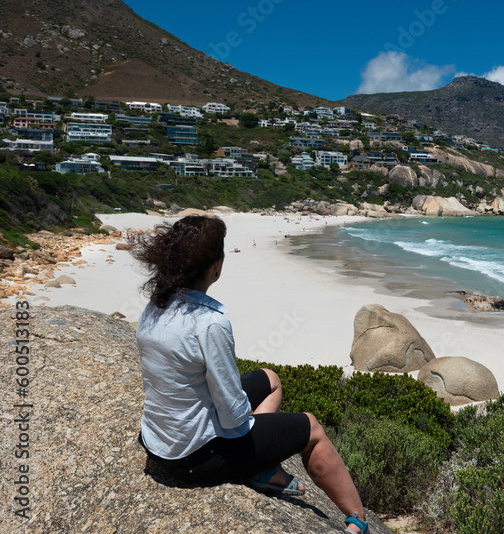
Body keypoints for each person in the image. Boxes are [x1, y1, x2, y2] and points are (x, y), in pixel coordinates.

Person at [130, 216, 367, 533]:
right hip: (195, 457)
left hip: (157, 442)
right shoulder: (209, 322)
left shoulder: (157, 303)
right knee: (311, 428)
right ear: (216, 265)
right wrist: (252, 434)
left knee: (270, 379)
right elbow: (232, 414)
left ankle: (261, 466)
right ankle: (358, 520)